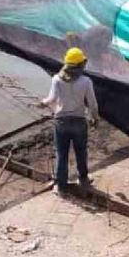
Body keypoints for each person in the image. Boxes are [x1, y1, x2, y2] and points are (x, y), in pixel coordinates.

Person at [41, 47, 99, 194]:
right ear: (81, 65)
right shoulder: (86, 81)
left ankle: (61, 186)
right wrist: (95, 118)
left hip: (61, 122)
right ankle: (83, 179)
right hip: (79, 121)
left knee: (62, 154)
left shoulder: (57, 79)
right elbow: (92, 104)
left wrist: (42, 103)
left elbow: (51, 99)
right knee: (81, 152)